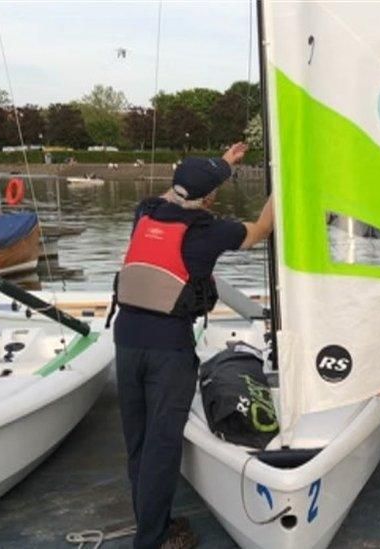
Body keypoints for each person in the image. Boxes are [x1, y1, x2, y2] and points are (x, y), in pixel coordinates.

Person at [112, 142, 274, 549]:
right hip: (169, 349)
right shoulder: (209, 231)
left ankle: (153, 522)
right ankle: (153, 539)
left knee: (140, 443)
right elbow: (259, 232)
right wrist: (283, 189)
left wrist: (222, 163)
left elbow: (184, 191)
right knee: (163, 448)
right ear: (211, 197)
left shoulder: (144, 212)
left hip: (127, 340)